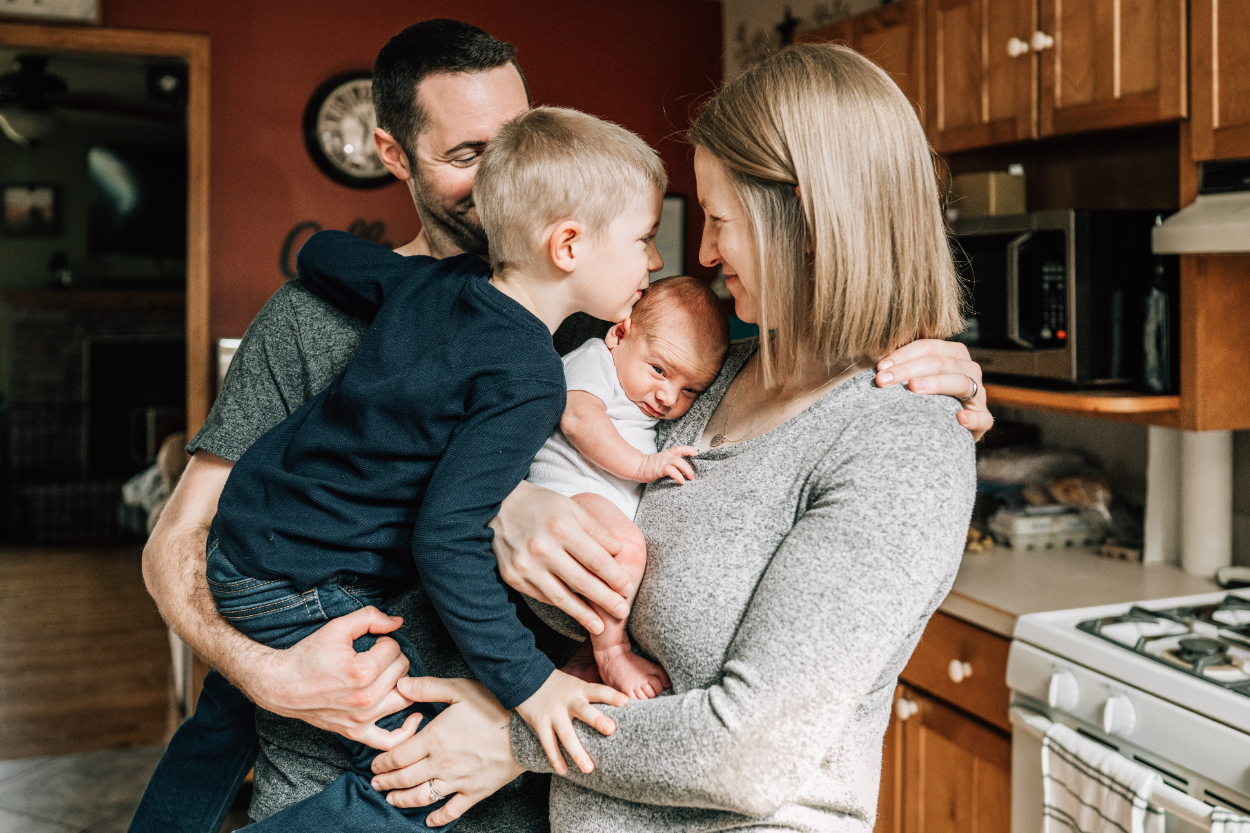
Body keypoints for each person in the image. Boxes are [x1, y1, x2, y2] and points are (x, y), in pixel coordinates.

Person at [135, 20, 992, 831]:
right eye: (471, 154)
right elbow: (181, 544)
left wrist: (935, 376)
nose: (510, 172)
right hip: (360, 776)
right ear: (393, 155)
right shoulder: (321, 317)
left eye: (519, 138)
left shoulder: (610, 319)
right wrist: (271, 675)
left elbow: (820, 404)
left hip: (529, 796)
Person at [526, 275, 729, 699]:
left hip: (592, 497)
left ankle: (585, 658)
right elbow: (579, 419)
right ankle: (612, 651)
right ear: (620, 334)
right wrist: (643, 465)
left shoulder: (641, 386)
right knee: (629, 549)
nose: (668, 396)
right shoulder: (595, 359)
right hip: (566, 493)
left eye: (690, 389)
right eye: (659, 370)